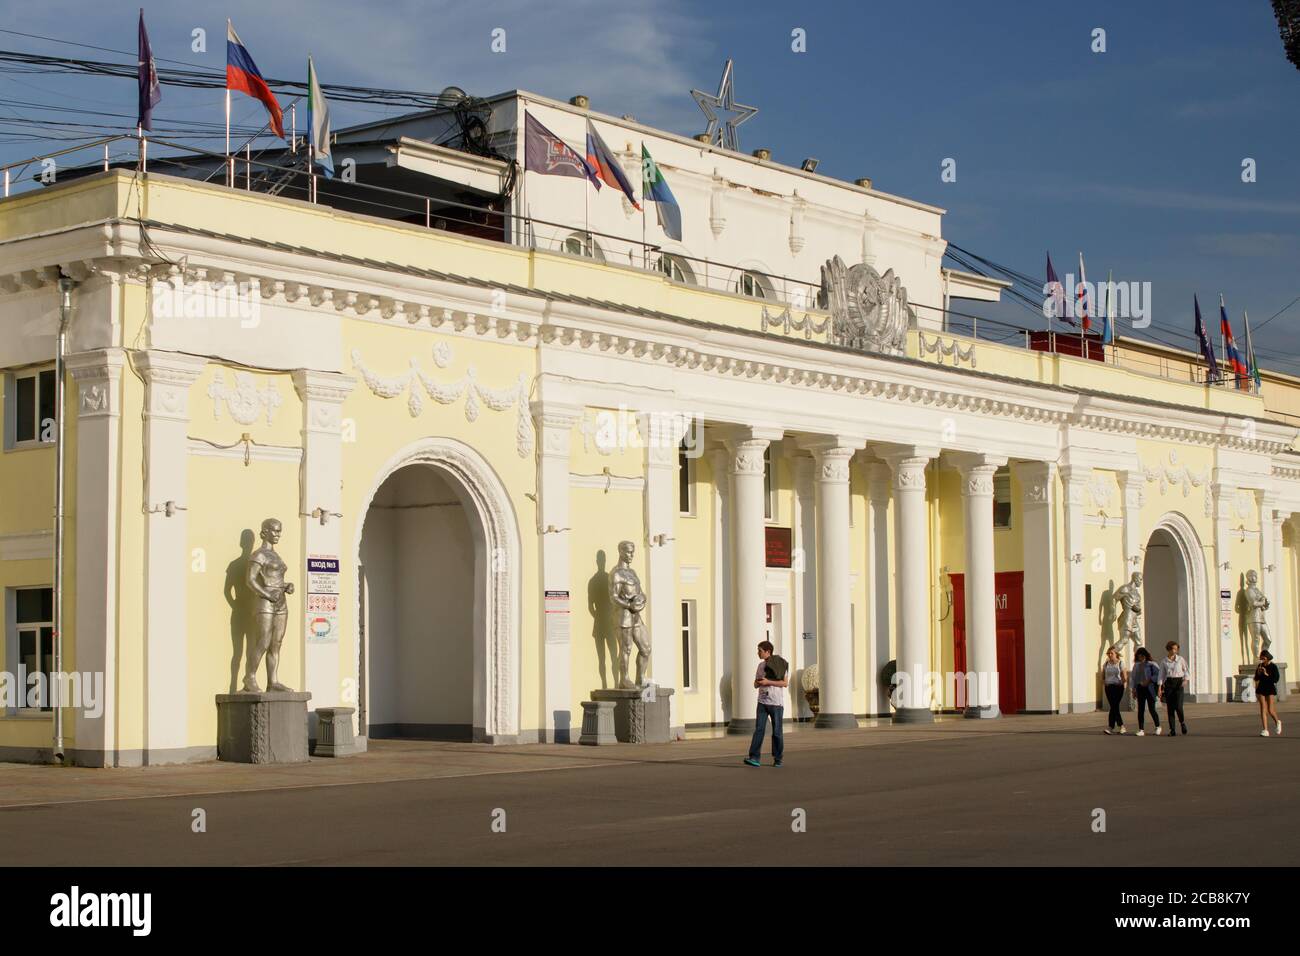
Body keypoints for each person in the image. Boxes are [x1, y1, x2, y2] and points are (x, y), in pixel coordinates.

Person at [744, 641, 787, 767]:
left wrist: (768, 681)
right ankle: (754, 757)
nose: (758, 653)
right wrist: (758, 683)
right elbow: (755, 684)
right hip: (762, 702)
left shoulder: (780, 664)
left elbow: (784, 683)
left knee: (777, 731)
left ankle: (778, 758)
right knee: (759, 729)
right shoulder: (760, 666)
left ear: (768, 651)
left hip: (776, 703)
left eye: (760, 651)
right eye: (758, 650)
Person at [1158, 641, 1191, 736]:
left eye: (1176, 649)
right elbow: (1161, 675)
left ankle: (1182, 722)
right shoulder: (1164, 661)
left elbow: (1186, 671)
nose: (1175, 651)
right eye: (1173, 649)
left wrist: (1186, 680)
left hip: (1179, 684)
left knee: (1179, 706)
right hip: (1169, 684)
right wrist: (1159, 688)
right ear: (1168, 649)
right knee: (1170, 708)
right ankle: (1172, 729)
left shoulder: (1180, 659)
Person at [1129, 647, 1162, 736]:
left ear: (1146, 656)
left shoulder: (1152, 664)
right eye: (1139, 656)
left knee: (1152, 709)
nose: (1141, 658)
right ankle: (1141, 729)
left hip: (1150, 689)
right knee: (1141, 710)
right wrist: (1133, 689)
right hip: (1140, 688)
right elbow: (1133, 678)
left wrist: (1150, 680)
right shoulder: (1136, 665)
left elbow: (1158, 675)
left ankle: (1158, 726)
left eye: (1142, 656)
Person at [1253, 649, 1282, 738]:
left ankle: (1277, 722)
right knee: (1263, 709)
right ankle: (1265, 730)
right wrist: (1258, 673)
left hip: (1270, 688)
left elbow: (1276, 679)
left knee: (1270, 710)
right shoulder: (1260, 665)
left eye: (1264, 658)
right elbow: (1256, 678)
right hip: (1261, 688)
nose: (1262, 660)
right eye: (1261, 658)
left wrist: (1266, 674)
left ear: (1268, 658)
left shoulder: (1273, 666)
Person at [1101, 647, 1127, 735]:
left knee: (1114, 706)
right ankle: (1114, 727)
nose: (1110, 655)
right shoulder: (1106, 664)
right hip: (1109, 687)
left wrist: (1123, 683)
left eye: (1111, 653)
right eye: (1108, 654)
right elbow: (1103, 675)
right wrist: (1105, 682)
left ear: (1116, 654)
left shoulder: (1120, 663)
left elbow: (1124, 675)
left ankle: (1117, 726)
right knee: (1113, 706)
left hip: (1118, 687)